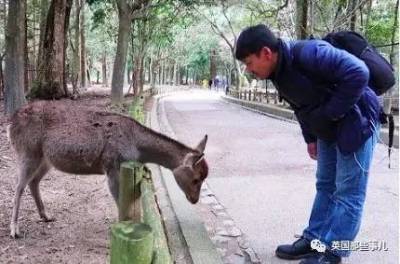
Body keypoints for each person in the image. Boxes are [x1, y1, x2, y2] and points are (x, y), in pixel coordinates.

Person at [235, 24, 381, 264]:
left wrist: (329, 115)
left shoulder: (310, 53)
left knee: (348, 193)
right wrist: (310, 138)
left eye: (249, 63)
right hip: (327, 130)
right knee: (325, 185)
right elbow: (300, 105)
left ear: (266, 53)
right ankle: (314, 242)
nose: (248, 70)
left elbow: (359, 72)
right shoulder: (278, 72)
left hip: (357, 123)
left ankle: (333, 254)